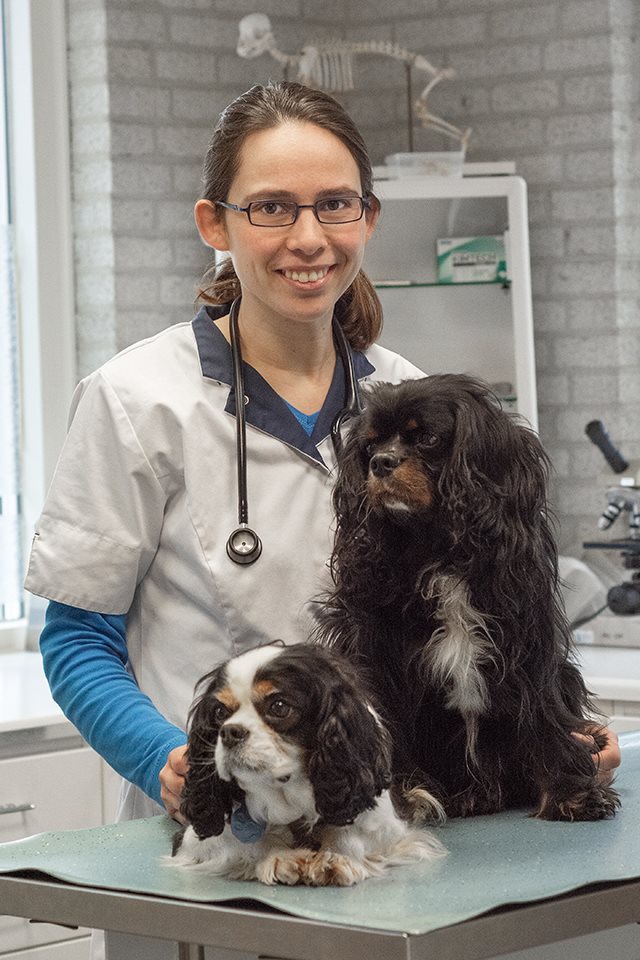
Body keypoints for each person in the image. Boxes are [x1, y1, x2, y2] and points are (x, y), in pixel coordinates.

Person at [26, 80, 620, 835]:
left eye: (335, 204)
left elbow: (473, 628)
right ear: (216, 223)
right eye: (272, 207)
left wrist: (550, 746)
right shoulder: (137, 401)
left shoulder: (406, 400)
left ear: (367, 219)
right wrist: (163, 759)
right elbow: (78, 638)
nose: (309, 238)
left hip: (397, 830)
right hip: (226, 833)